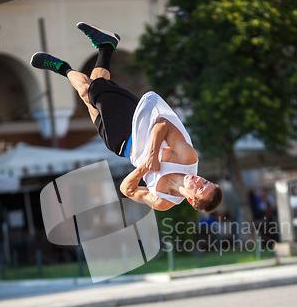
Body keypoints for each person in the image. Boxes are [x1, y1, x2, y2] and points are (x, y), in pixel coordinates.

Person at [30, 23, 223, 212]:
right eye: (205, 181)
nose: (198, 180)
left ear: (191, 199)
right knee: (88, 90)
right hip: (135, 123)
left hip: (120, 146)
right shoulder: (187, 159)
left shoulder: (164, 201)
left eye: (200, 188)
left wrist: (143, 169)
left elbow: (126, 189)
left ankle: (106, 46)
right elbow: (162, 124)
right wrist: (153, 154)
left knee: (91, 97)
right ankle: (62, 67)